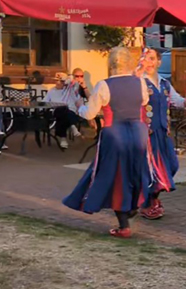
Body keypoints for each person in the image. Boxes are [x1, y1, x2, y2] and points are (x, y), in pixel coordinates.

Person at [63, 46, 152, 238]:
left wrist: (79, 107)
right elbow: (144, 102)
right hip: (138, 132)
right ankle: (134, 206)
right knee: (136, 171)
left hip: (115, 133)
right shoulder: (139, 82)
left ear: (110, 64)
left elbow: (90, 113)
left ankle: (124, 224)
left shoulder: (104, 85)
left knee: (115, 176)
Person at [140, 48, 186, 220]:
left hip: (163, 132)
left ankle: (153, 197)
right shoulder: (139, 82)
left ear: (159, 62)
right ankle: (147, 204)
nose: (149, 62)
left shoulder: (164, 83)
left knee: (172, 165)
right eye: (145, 58)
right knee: (150, 169)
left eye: (152, 59)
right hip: (147, 133)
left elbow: (177, 101)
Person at [43, 72, 84, 148]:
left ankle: (63, 138)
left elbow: (76, 85)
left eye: (61, 81)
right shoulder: (52, 90)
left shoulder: (70, 89)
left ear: (65, 82)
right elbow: (44, 102)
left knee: (65, 114)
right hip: (57, 111)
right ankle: (73, 126)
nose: (58, 83)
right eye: (56, 81)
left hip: (70, 112)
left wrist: (69, 81)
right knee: (62, 108)